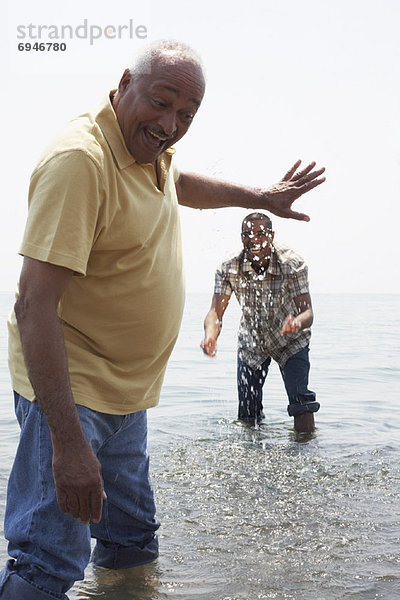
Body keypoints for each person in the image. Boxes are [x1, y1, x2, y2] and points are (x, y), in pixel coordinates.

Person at [0, 40, 325, 599]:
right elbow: (33, 305)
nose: (170, 124)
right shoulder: (81, 161)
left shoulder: (149, 149)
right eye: (160, 102)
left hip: (128, 398)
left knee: (132, 545)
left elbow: (178, 184)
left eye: (186, 115)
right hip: (74, 394)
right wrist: (69, 445)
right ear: (124, 83)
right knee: (46, 562)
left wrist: (261, 197)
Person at [201, 212, 320, 432]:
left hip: (290, 341)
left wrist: (296, 322)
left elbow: (308, 313)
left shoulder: (292, 264)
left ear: (272, 235)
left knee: (301, 403)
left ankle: (307, 456)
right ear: (241, 237)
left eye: (260, 233)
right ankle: (251, 462)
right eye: (247, 234)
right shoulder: (229, 267)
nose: (253, 239)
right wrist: (210, 335)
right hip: (252, 343)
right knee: (247, 413)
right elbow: (215, 313)